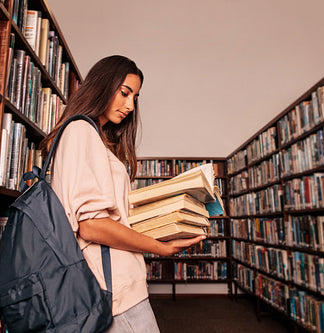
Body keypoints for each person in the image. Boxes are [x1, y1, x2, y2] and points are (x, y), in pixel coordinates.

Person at [40, 55, 205, 332]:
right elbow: (91, 226)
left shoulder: (97, 138)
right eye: (124, 92)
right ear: (102, 85)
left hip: (117, 286)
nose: (130, 105)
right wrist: (159, 248)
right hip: (112, 290)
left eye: (135, 98)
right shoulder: (81, 131)